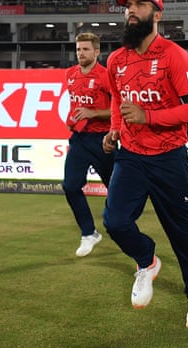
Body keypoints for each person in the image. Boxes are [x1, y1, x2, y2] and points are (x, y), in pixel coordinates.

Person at [101, 0, 188, 329]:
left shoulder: (175, 56)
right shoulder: (116, 60)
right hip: (130, 155)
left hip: (168, 157)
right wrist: (116, 128)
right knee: (115, 222)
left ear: (157, 14)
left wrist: (148, 118)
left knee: (181, 233)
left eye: (139, 5)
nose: (131, 10)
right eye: (128, 6)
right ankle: (146, 261)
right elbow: (118, 99)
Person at [62, 32, 115, 257]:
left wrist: (92, 114)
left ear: (96, 51)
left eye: (85, 49)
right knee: (70, 186)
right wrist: (72, 119)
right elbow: (76, 103)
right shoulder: (70, 74)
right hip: (80, 140)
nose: (80, 53)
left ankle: (121, 227)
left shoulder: (105, 76)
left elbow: (117, 109)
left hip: (103, 140)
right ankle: (88, 233)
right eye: (78, 49)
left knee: (116, 189)